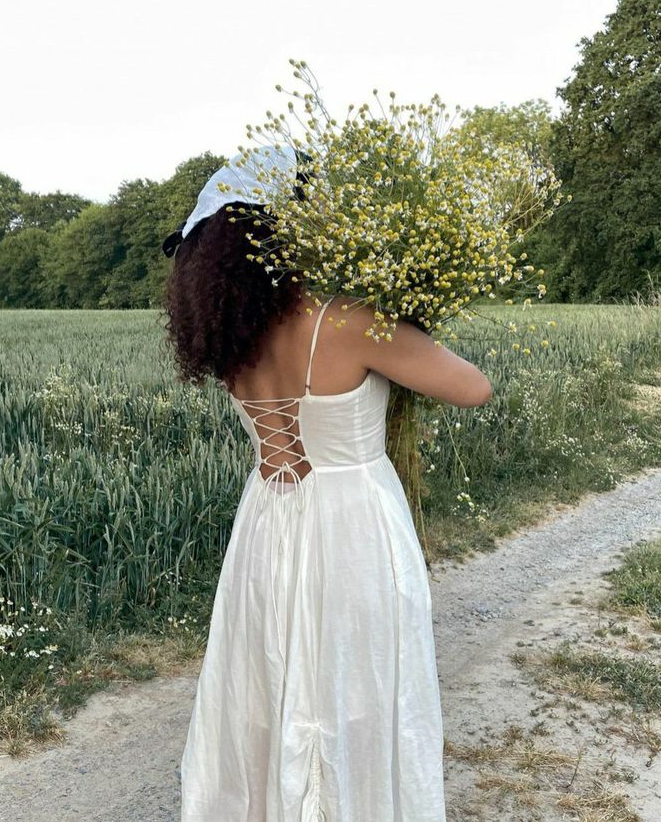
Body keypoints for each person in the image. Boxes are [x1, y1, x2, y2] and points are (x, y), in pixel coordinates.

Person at [162, 147, 493, 821]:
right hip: (350, 525)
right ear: (295, 230)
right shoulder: (346, 322)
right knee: (362, 683)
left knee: (270, 682)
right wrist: (406, 319)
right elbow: (472, 388)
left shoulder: (232, 337)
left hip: (267, 518)